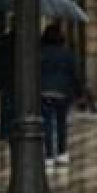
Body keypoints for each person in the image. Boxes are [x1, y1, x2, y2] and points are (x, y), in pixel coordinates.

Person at [39, 24, 80, 167]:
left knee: (47, 124)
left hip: (44, 92)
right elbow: (74, 73)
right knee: (61, 124)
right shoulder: (66, 53)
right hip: (63, 92)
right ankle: (62, 153)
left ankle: (49, 155)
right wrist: (78, 91)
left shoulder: (41, 52)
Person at [0, 20, 16, 139]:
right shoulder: (27, 42)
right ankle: (13, 130)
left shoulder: (1, 41)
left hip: (5, 79)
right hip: (18, 80)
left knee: (6, 107)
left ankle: (5, 132)